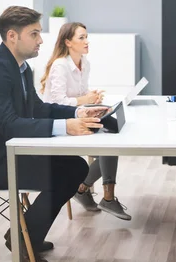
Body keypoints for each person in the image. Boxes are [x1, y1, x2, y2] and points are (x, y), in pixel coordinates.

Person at [0, 6, 109, 262]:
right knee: (66, 172)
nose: (41, 40)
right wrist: (67, 127)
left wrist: (78, 110)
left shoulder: (21, 68)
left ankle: (28, 234)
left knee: (75, 166)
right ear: (12, 36)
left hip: (11, 151)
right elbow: (10, 125)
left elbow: (39, 109)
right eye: (35, 34)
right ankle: (22, 238)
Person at [40, 22, 131, 220]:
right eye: (81, 37)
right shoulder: (60, 65)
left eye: (86, 36)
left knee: (112, 139)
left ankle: (83, 189)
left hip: (76, 116)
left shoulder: (84, 63)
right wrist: (86, 101)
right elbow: (57, 103)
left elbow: (80, 97)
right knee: (109, 144)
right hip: (59, 123)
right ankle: (105, 197)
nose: (86, 41)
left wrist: (93, 99)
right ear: (68, 42)